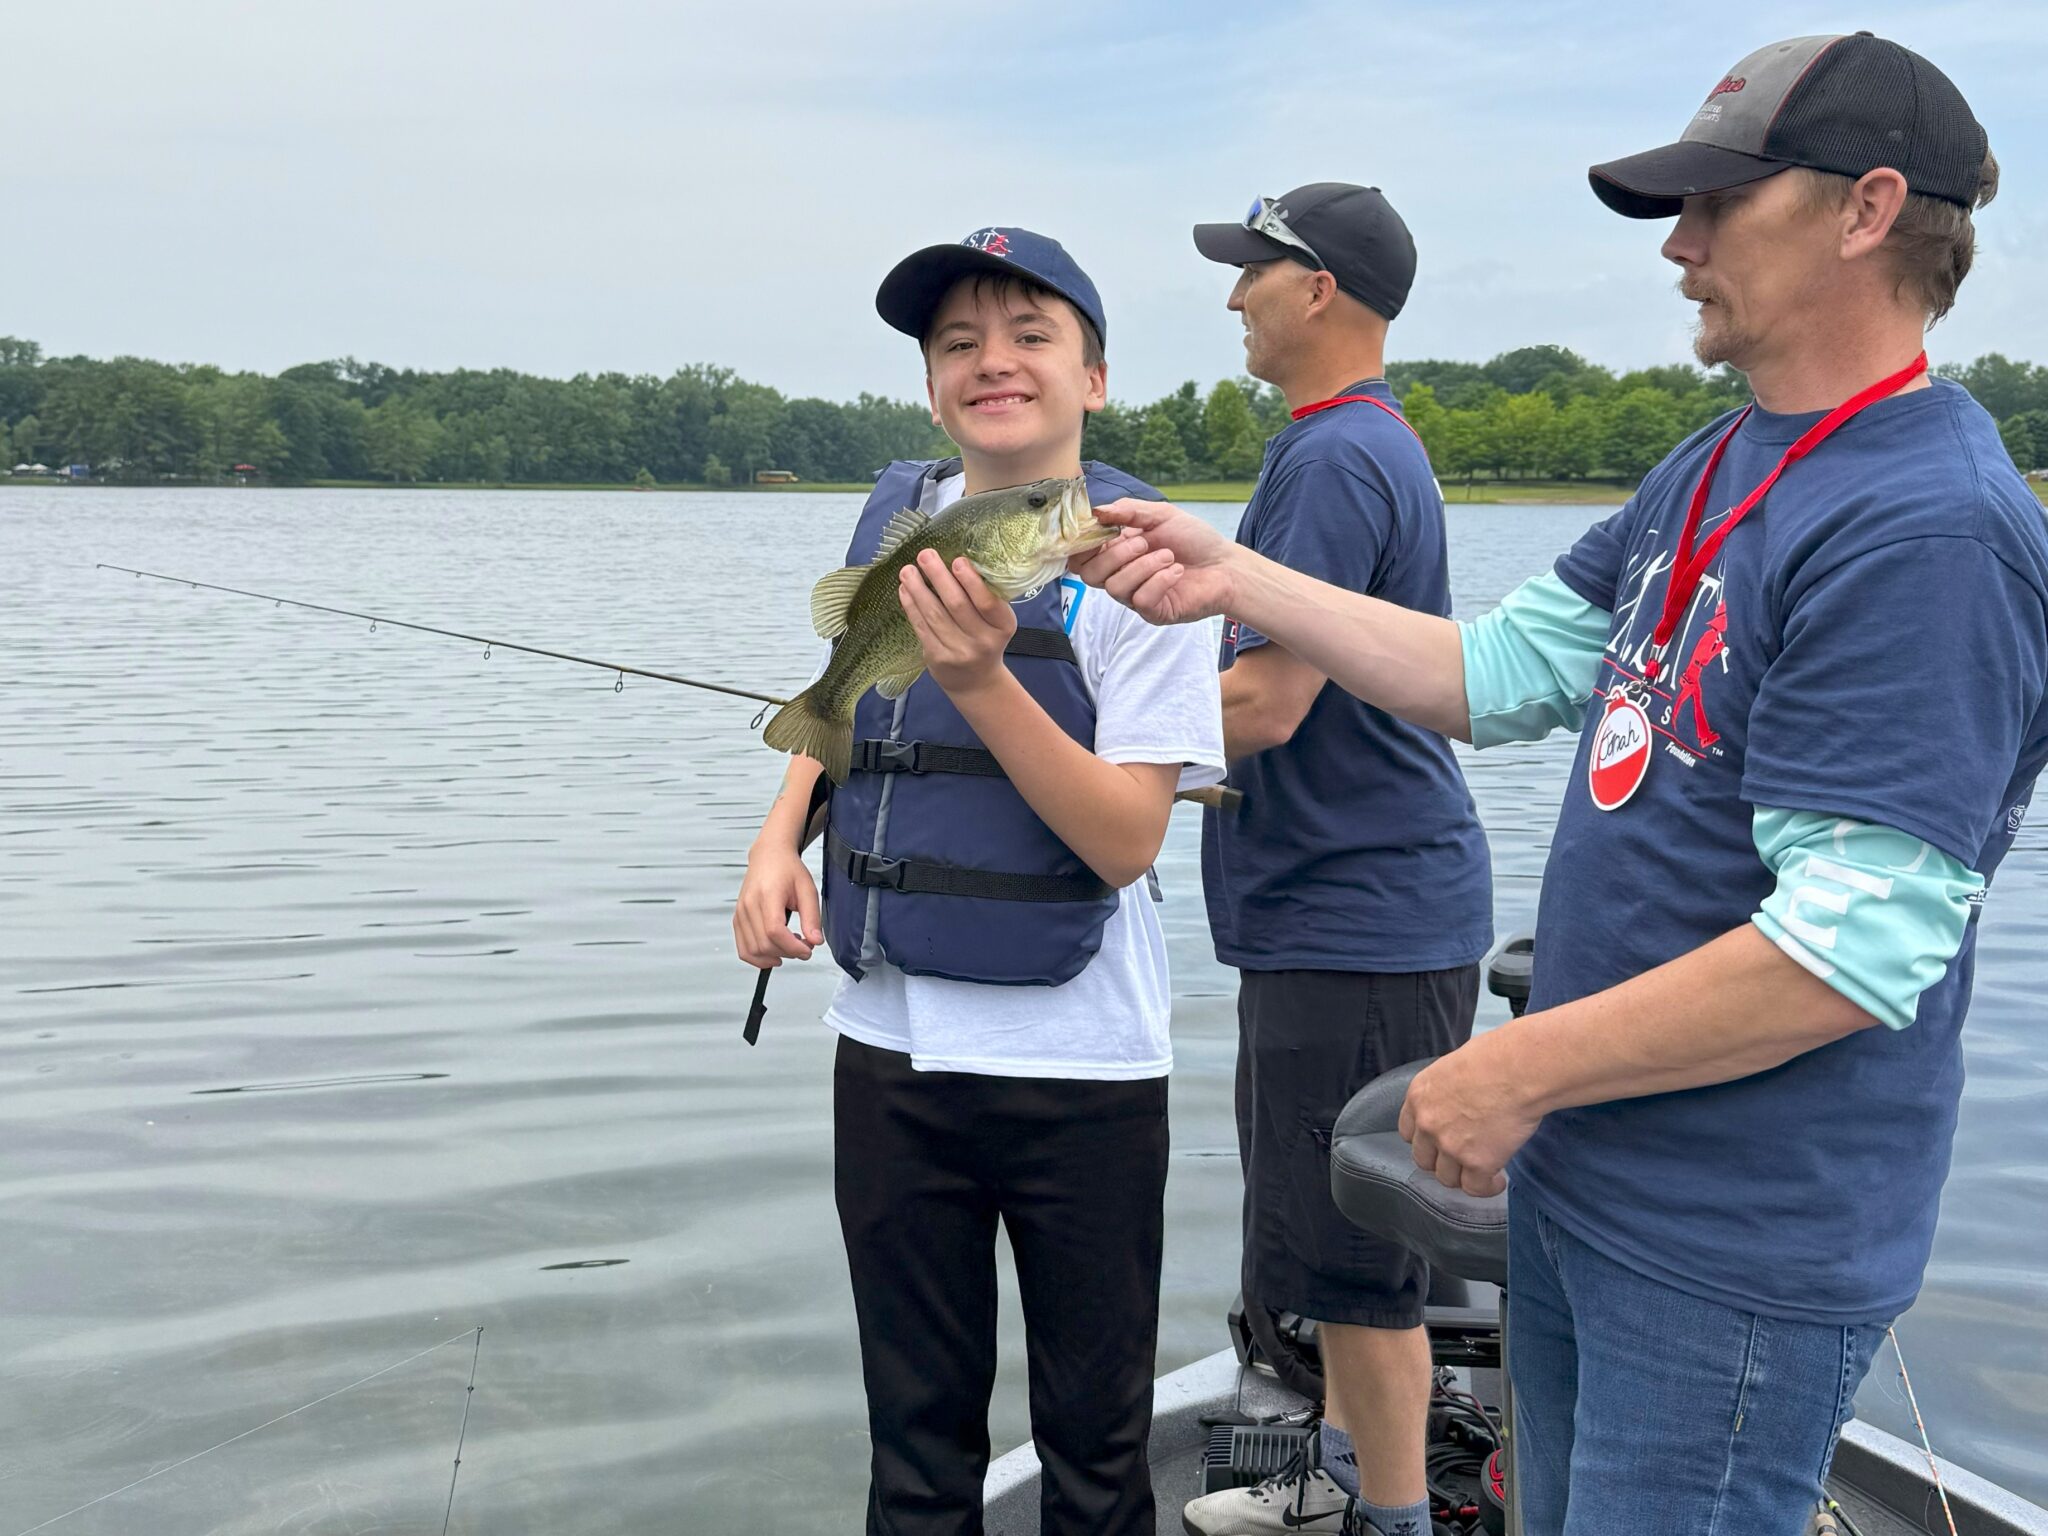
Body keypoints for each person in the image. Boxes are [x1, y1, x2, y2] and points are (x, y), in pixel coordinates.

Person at [1073, 35, 2046, 1536]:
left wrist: (1513, 1069)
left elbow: (1854, 951)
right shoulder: (1717, 462)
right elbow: (1501, 672)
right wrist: (1234, 571)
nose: (1679, 243)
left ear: (1867, 210)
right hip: (1591, 1186)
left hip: (1734, 1242)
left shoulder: (1928, 529)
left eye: (1721, 202)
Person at [732, 226, 1224, 1536]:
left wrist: (983, 680)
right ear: (932, 384)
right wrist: (781, 833)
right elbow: (850, 714)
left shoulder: (1152, 568)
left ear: (1096, 377)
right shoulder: (906, 526)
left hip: (1087, 1076)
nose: (991, 362)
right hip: (889, 1056)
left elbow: (1126, 842)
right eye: (958, 344)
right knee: (915, 1451)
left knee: (1095, 1451)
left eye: (1029, 336)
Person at [1172, 185, 1491, 1536]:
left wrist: (1074, 753)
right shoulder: (1348, 447)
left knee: (1359, 1268)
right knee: (1318, 1240)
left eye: (1254, 271)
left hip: (1364, 922)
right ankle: (1333, 1483)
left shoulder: (1332, 460)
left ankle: (1390, 1518)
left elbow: (1264, 705)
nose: (1234, 295)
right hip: (1338, 918)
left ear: (1322, 290)